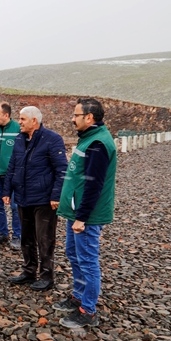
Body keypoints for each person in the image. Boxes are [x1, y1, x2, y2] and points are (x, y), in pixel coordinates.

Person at [55, 98, 117, 328]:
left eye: (76, 115)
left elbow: (94, 184)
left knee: (88, 261)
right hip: (76, 211)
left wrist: (82, 217)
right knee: (74, 254)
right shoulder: (89, 138)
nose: (72, 118)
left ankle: (88, 311)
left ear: (89, 117)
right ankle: (78, 296)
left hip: (85, 215)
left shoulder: (98, 144)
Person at [3, 106, 68, 291]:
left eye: (23, 119)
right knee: (27, 237)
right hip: (23, 197)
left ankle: (47, 276)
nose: (19, 122)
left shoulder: (52, 139)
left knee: (44, 238)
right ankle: (29, 271)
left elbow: (61, 169)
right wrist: (6, 191)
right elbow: (12, 166)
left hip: (44, 200)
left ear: (34, 121)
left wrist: (56, 195)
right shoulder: (19, 139)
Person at [0, 102, 22, 249]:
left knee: (15, 206)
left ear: (6, 115)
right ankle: (3, 233)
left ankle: (17, 236)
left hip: (13, 176)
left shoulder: (18, 129)